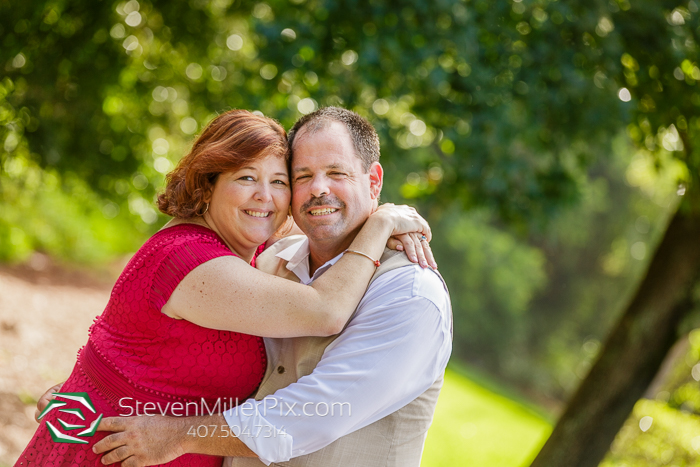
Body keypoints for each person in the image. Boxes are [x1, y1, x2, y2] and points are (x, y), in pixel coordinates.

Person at [17, 109, 432, 467]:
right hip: (112, 453)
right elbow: (326, 310)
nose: (265, 196)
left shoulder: (264, 254)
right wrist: (379, 224)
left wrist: (84, 388)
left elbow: (309, 218)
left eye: (280, 181)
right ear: (208, 184)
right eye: (246, 177)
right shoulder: (191, 258)